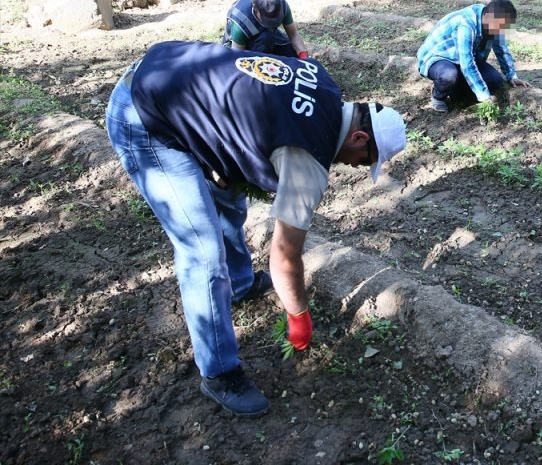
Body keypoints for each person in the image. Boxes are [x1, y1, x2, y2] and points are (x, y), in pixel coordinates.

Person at [105, 41, 407, 418]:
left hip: (169, 74)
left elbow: (250, 104)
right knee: (203, 253)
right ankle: (219, 373)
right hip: (145, 116)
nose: (355, 167)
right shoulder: (307, 160)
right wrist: (298, 315)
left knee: (230, 198)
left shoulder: (324, 83)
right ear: (359, 138)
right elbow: (284, 256)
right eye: (364, 161)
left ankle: (240, 284)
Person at [416, 0, 530, 112]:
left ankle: (456, 89)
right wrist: (484, 96)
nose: (501, 31)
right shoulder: (466, 25)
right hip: (438, 58)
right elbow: (467, 64)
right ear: (487, 17)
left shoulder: (495, 21)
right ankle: (438, 97)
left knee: (495, 80)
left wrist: (512, 76)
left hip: (460, 58)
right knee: (449, 75)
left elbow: (501, 49)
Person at [224, 0, 309, 58]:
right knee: (265, 38)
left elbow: (293, 35)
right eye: (268, 20)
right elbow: (238, 56)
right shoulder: (241, 21)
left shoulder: (281, 5)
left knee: (292, 56)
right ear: (256, 10)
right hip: (240, 45)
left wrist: (304, 58)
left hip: (269, 35)